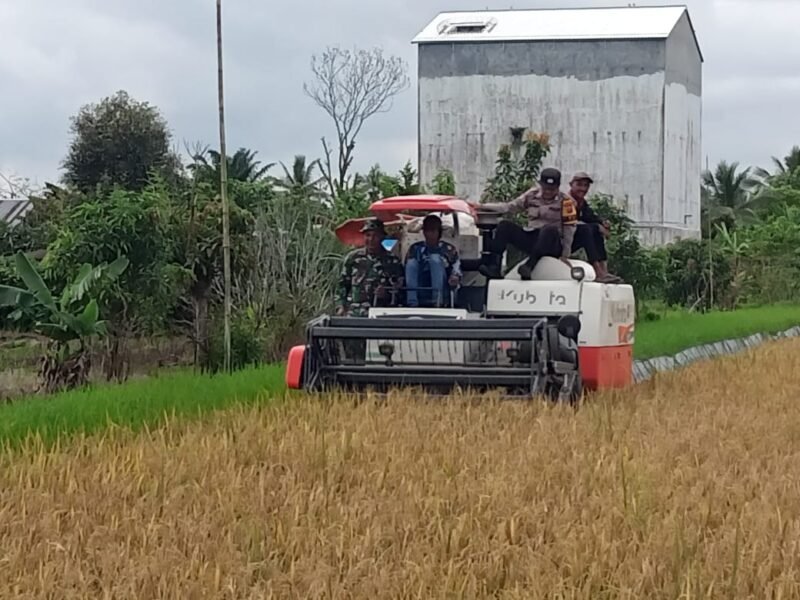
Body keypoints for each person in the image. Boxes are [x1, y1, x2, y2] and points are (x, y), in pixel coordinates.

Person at [479, 167, 578, 281]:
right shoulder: (532, 195)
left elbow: (569, 228)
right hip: (533, 237)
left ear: (558, 187)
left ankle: (529, 266)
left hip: (552, 243)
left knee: (549, 229)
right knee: (504, 225)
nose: (548, 192)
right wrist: (482, 206)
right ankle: (494, 267)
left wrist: (565, 255)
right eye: (546, 188)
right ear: (541, 185)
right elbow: (510, 207)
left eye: (552, 189)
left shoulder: (566, 202)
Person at [335, 219, 404, 317]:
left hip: (382, 314)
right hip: (355, 313)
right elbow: (342, 286)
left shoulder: (393, 262)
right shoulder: (353, 258)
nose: (371, 239)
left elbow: (401, 293)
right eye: (368, 235)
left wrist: (386, 294)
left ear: (382, 237)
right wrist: (340, 306)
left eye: (375, 236)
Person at [568, 172, 622, 283]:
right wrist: (597, 226)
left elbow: (590, 217)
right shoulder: (565, 201)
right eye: (579, 185)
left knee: (595, 230)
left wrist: (603, 223)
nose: (583, 189)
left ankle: (604, 270)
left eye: (585, 185)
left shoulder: (581, 203)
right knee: (587, 229)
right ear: (571, 185)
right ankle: (597, 270)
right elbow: (569, 223)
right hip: (560, 240)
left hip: (571, 239)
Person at [404, 214, 462, 307]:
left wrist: (454, 277)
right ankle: (412, 302)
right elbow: (406, 270)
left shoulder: (449, 249)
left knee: (435, 259)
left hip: (443, 288)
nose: (429, 233)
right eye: (427, 230)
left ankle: (437, 301)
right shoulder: (415, 248)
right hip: (419, 286)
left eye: (433, 230)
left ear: (439, 231)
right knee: (411, 263)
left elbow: (456, 268)